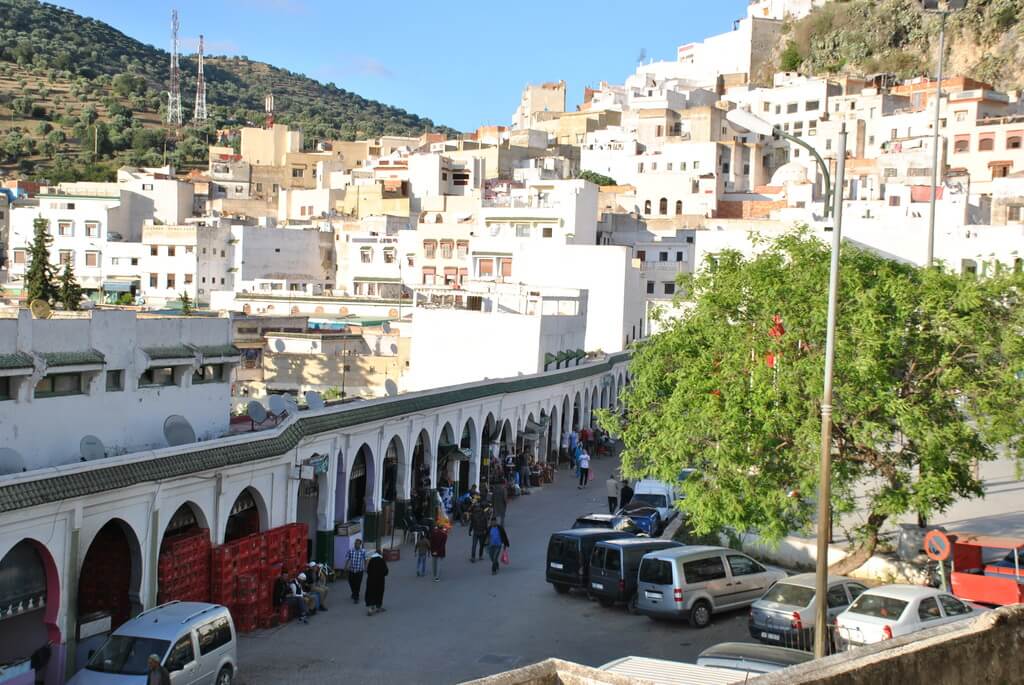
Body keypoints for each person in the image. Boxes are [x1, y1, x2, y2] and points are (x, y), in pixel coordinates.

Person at [365, 551, 389, 616]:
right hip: (380, 581)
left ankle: (370, 608)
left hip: (371, 581)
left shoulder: (370, 560)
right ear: (380, 554)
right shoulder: (382, 560)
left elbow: (367, 570)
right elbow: (386, 572)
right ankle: (378, 607)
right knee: (379, 593)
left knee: (371, 593)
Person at [344, 538, 368, 604]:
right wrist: (345, 566)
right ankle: (354, 592)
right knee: (351, 582)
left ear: (360, 544)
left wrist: (366, 567)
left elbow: (365, 559)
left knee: (358, 584)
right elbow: (347, 558)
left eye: (357, 544)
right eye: (355, 543)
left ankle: (356, 597)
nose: (356, 545)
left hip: (359, 570)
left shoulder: (363, 551)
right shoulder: (350, 550)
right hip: (351, 569)